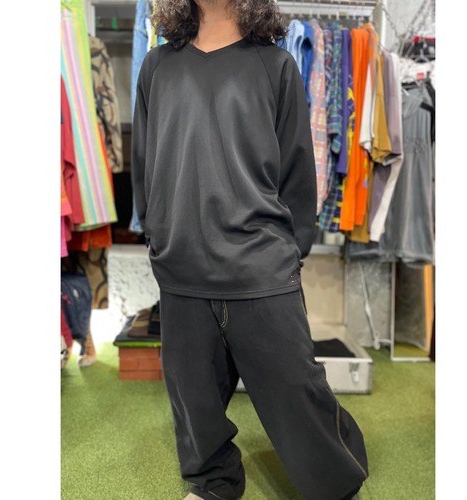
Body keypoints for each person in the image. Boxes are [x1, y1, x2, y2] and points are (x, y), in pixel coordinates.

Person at [131, 1, 369, 499]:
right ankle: (214, 484)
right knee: (194, 401)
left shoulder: (275, 65)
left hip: (261, 266)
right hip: (182, 267)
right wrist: (158, 235)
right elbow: (145, 162)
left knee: (297, 391)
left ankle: (336, 479)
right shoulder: (158, 66)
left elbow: (297, 169)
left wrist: (289, 252)